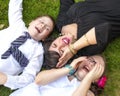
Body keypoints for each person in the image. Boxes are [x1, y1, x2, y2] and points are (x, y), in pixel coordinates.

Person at [0, 0, 55, 90]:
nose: (42, 26)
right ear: (31, 22)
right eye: (41, 21)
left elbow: (29, 77)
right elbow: (15, 6)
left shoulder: (38, 51)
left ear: (44, 38)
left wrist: (6, 79)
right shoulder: (18, 25)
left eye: (47, 28)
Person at [48, 0, 120, 67]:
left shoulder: (61, 24)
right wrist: (73, 48)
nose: (61, 44)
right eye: (62, 51)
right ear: (68, 55)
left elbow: (66, 3)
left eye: (55, 45)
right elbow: (105, 28)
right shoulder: (87, 49)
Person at [9, 55, 106, 96]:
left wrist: (88, 79)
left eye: (97, 67)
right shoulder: (62, 72)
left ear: (96, 79)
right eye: (91, 60)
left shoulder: (87, 93)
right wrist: (70, 67)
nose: (91, 64)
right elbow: (39, 80)